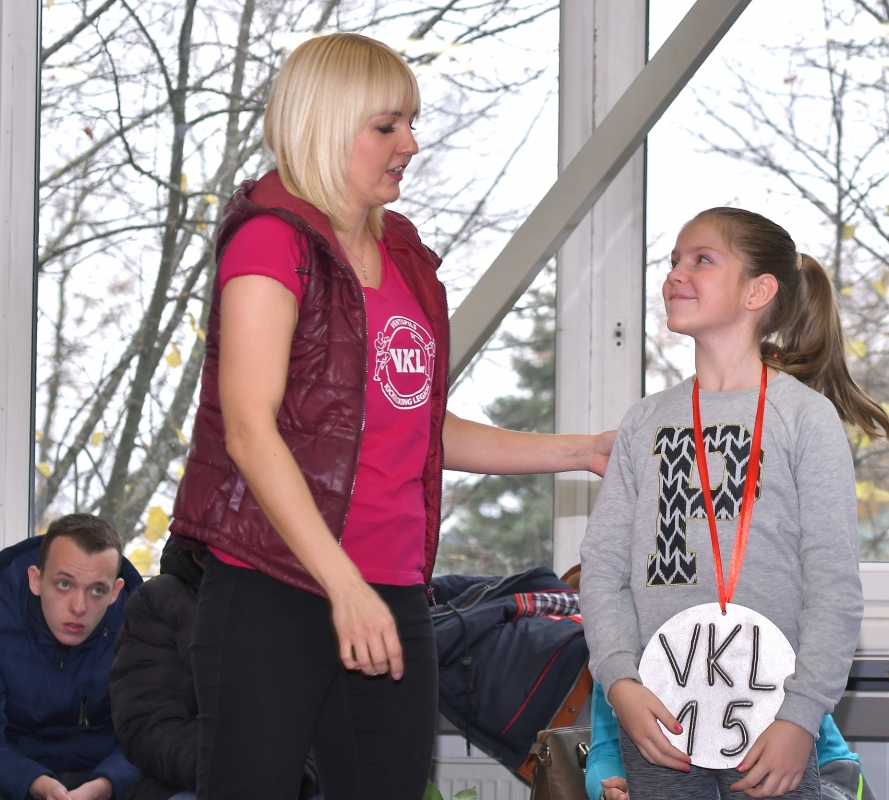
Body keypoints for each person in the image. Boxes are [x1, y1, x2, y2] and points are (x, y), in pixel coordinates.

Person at [166, 32, 613, 800]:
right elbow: (249, 429)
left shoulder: (403, 255)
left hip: (391, 589)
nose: (410, 143)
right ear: (325, 126)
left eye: (411, 122)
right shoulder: (270, 241)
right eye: (387, 126)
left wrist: (579, 450)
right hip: (275, 588)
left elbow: (416, 424)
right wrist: (342, 585)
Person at [579, 208, 889, 800]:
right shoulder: (645, 421)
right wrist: (620, 682)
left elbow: (833, 584)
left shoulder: (804, 418)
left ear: (758, 291)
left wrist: (801, 717)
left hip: (770, 722)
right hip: (659, 716)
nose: (675, 273)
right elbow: (602, 569)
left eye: (702, 259)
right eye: (674, 260)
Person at [109, 538, 320, 800]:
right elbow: (147, 724)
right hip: (187, 782)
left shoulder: (302, 601)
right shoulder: (159, 599)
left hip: (295, 780)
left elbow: (330, 721)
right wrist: (243, 771)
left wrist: (292, 774)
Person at [0, 514, 142, 800]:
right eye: (64, 585)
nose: (79, 607)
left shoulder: (139, 623)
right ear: (36, 580)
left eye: (97, 590)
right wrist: (37, 783)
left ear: (115, 592)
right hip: (12, 776)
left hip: (106, 779)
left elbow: (146, 734)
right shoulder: (4, 611)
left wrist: (104, 785)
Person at [584, 684, 876, 800]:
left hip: (828, 777)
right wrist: (610, 792)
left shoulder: (762, 627)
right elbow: (605, 751)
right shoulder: (619, 661)